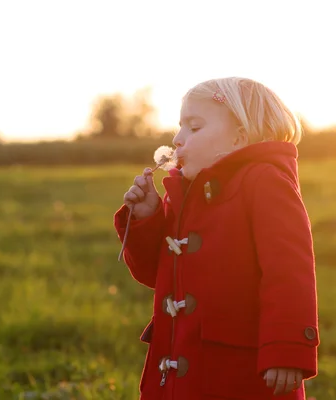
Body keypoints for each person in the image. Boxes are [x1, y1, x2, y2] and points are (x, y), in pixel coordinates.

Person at [114, 77, 319, 399]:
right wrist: (147, 218)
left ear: (239, 138)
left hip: (240, 371)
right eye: (180, 127)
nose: (178, 139)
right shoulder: (180, 192)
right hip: (178, 366)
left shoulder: (264, 182)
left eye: (194, 128)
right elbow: (153, 275)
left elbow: (289, 273)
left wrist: (288, 349)